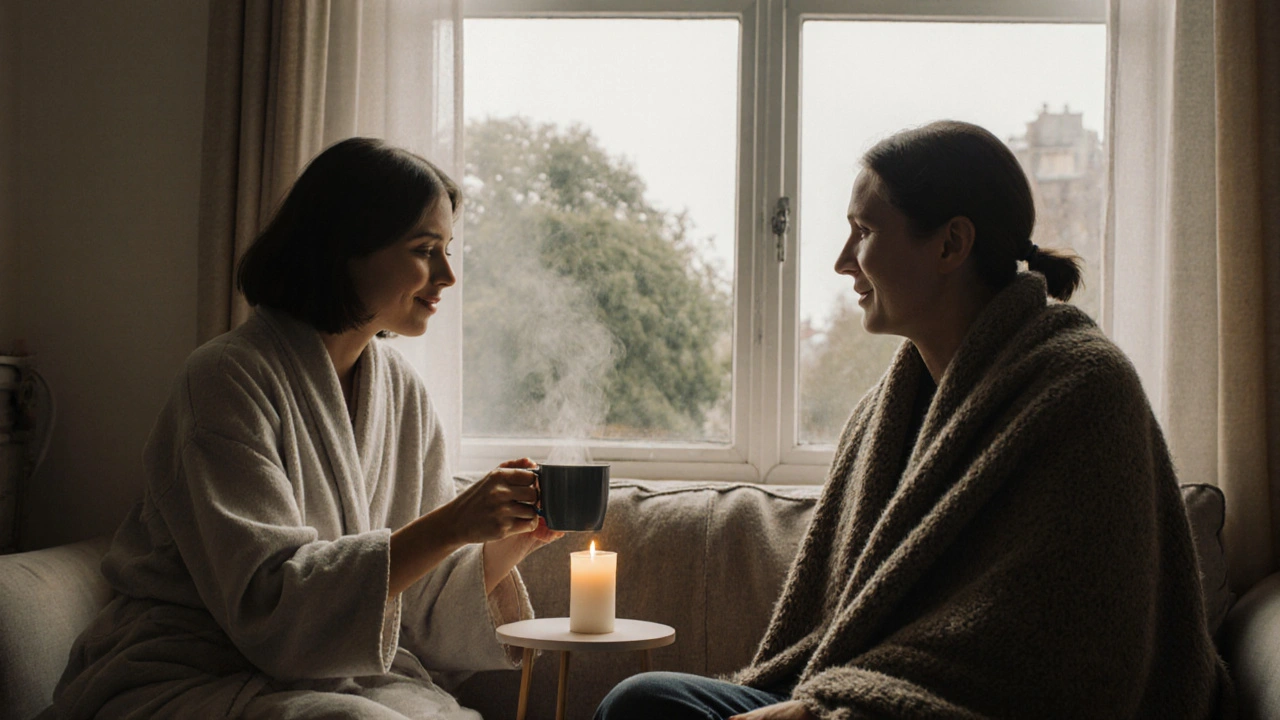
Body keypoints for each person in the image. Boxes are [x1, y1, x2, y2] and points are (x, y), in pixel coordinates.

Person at [595, 120, 1234, 719]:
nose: (845, 260)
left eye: (864, 231)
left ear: (951, 243)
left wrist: (831, 711)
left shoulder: (1083, 387)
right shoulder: (886, 408)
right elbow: (844, 626)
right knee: (646, 701)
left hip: (960, 709)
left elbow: (1064, 651)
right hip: (857, 694)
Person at [40, 138, 562, 720]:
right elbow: (269, 606)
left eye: (448, 250)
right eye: (425, 250)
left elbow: (411, 603)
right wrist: (453, 523)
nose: (447, 275)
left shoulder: (402, 392)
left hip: (331, 677)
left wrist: (501, 542)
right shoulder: (225, 378)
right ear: (345, 248)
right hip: (190, 672)